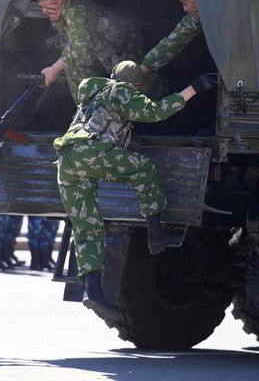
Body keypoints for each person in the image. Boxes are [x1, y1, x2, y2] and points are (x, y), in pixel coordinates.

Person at [54, 61, 213, 325]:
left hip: (67, 160)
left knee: (87, 227)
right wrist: (193, 89)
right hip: (92, 153)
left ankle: (93, 291)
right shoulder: (123, 91)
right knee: (145, 168)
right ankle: (155, 233)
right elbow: (156, 113)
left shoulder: (93, 92)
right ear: (136, 84)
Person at [37, 0, 144, 103]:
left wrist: (54, 69)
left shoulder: (76, 11)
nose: (44, 11)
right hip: (108, 57)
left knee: (149, 96)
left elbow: (79, 48)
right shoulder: (63, 16)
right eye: (41, 7)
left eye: (46, 5)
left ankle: (88, 112)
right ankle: (91, 111)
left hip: (128, 56)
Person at [141, 0, 204, 74]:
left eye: (186, 3)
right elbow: (174, 41)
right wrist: (143, 68)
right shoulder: (195, 18)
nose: (185, 9)